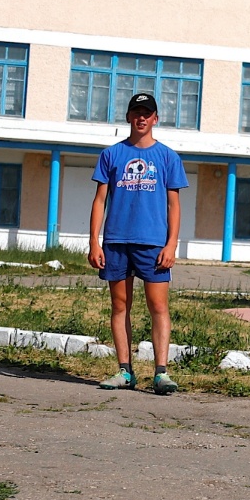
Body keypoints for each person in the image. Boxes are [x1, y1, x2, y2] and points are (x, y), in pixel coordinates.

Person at [87, 92, 189, 395]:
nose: (141, 118)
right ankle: (125, 370)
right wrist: (95, 242)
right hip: (117, 242)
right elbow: (100, 200)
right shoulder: (111, 155)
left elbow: (174, 205)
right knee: (120, 305)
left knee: (158, 305)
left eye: (147, 113)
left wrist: (171, 245)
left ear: (155, 119)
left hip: (153, 244)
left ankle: (161, 373)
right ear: (129, 117)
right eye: (136, 112)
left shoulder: (168, 157)